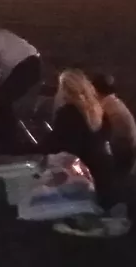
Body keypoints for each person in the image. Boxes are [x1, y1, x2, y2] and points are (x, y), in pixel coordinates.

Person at [47, 69, 116, 207]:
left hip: (82, 175)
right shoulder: (98, 110)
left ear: (65, 90)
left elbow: (63, 149)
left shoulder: (67, 113)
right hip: (105, 172)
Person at [89, 72, 136, 173]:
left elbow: (95, 129)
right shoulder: (113, 102)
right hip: (126, 151)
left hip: (119, 154)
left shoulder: (107, 108)